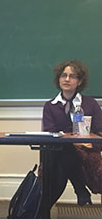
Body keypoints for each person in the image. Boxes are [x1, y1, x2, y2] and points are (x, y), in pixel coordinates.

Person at [42, 60, 102, 210]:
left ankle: (42, 210)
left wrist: (92, 144)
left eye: (72, 76)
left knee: (60, 166)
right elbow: (49, 134)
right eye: (64, 75)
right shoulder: (50, 106)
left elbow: (101, 132)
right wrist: (71, 142)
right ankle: (80, 188)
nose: (67, 79)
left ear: (80, 81)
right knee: (64, 148)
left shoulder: (91, 104)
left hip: (85, 152)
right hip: (59, 151)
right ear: (59, 79)